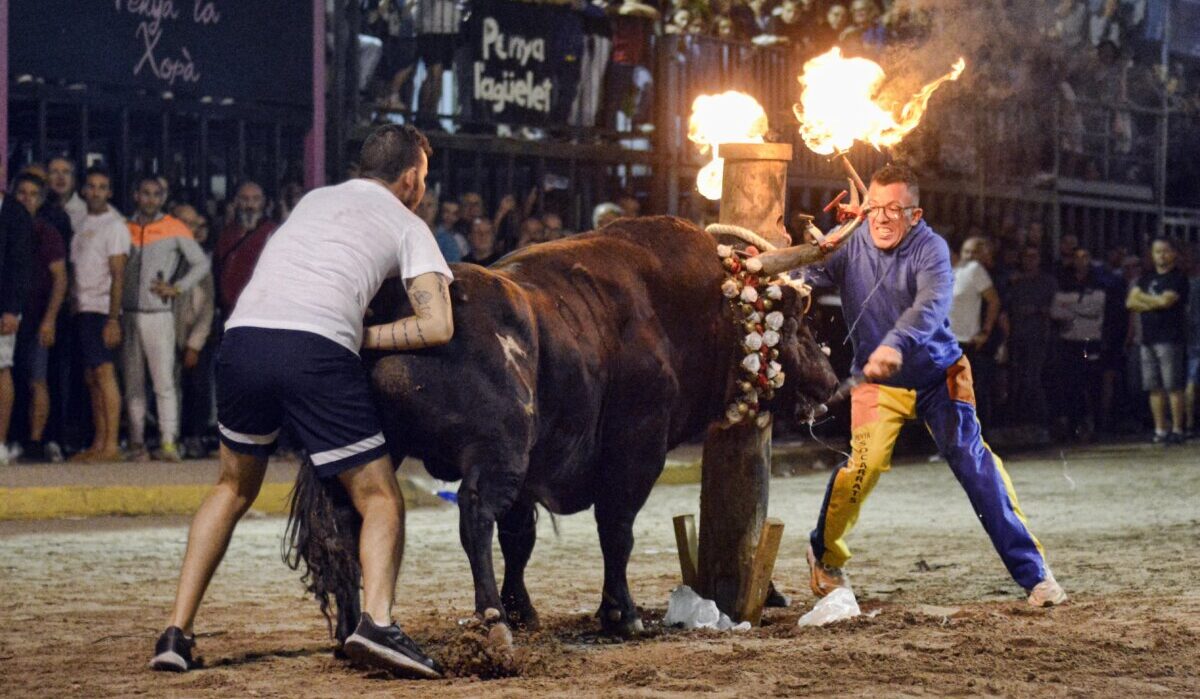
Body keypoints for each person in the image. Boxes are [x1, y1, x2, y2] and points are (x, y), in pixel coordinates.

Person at [151, 124, 453, 678]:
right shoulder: (408, 223)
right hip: (314, 350)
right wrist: (367, 338)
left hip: (242, 339)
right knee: (380, 497)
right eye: (424, 180)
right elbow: (438, 325)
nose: (424, 190)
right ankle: (378, 623)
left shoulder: (315, 200)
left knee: (232, 486)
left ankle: (176, 632)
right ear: (411, 178)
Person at [800, 165, 1065, 608]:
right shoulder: (848, 241)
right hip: (877, 382)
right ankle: (824, 556)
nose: (883, 219)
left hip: (940, 374)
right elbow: (803, 276)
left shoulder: (932, 249)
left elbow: (931, 304)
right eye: (875, 208)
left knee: (974, 464)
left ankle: (1034, 574)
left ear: (916, 214)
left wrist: (895, 342)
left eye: (895, 210)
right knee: (862, 468)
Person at [123, 177, 210, 462]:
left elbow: (201, 263)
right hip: (129, 313)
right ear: (136, 195)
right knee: (133, 382)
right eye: (145, 193)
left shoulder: (174, 227)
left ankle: (168, 442)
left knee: (163, 382)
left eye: (155, 194)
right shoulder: (125, 226)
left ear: (162, 198)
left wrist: (177, 288)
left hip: (159, 315)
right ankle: (137, 442)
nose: (150, 199)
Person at [70, 168, 129, 462]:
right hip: (82, 308)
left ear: (110, 192)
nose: (96, 192)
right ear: (83, 190)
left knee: (105, 374)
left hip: (101, 309)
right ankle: (98, 441)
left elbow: (118, 274)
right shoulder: (81, 222)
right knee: (92, 377)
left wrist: (113, 318)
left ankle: (111, 445)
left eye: (102, 187)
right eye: (91, 186)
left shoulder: (115, 225)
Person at [11, 174, 68, 462]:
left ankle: (35, 440)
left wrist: (50, 319)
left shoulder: (46, 233)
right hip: (8, 316)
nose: (26, 198)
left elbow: (60, 279)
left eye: (33, 193)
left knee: (37, 379)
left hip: (35, 317)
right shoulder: (8, 227)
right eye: (21, 192)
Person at [1126, 238, 1188, 444]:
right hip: (1148, 338)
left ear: (1174, 254)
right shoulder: (1146, 278)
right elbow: (1131, 302)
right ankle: (1160, 429)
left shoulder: (1178, 278)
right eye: (1157, 251)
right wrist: (1156, 302)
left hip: (1170, 338)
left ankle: (1178, 429)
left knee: (1173, 386)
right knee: (1153, 387)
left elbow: (1167, 301)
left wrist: (1146, 301)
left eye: (1165, 251)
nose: (1161, 255)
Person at [171, 204, 218, 459]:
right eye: (183, 222)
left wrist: (194, 344)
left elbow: (207, 306)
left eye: (194, 224)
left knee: (197, 387)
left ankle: (195, 435)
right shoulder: (166, 253)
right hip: (169, 334)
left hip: (194, 337)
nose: (189, 229)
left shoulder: (199, 259)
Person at [0, 164, 35, 465]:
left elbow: (21, 267)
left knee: (1, 370)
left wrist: (12, 309)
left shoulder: (15, 213)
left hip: (3, 309)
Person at [1005, 246, 1058, 442]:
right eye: (1026, 256)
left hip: (1038, 337)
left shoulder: (1047, 282)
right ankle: (1019, 425)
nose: (1030, 260)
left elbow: (1055, 307)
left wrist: (1035, 310)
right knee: (1017, 380)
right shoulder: (1015, 281)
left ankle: (1040, 424)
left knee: (1033, 379)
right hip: (1017, 336)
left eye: (1034, 256)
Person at [950, 236, 1001, 429]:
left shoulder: (975, 270)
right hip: (949, 341)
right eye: (967, 252)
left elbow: (994, 302)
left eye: (974, 252)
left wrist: (985, 332)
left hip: (970, 341)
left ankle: (978, 441)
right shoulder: (951, 272)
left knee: (972, 392)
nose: (970, 256)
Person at [214, 181, 277, 315]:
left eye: (255, 199)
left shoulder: (274, 232)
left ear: (263, 202)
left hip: (262, 308)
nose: (250, 205)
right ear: (236, 201)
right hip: (230, 310)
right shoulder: (225, 234)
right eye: (245, 199)